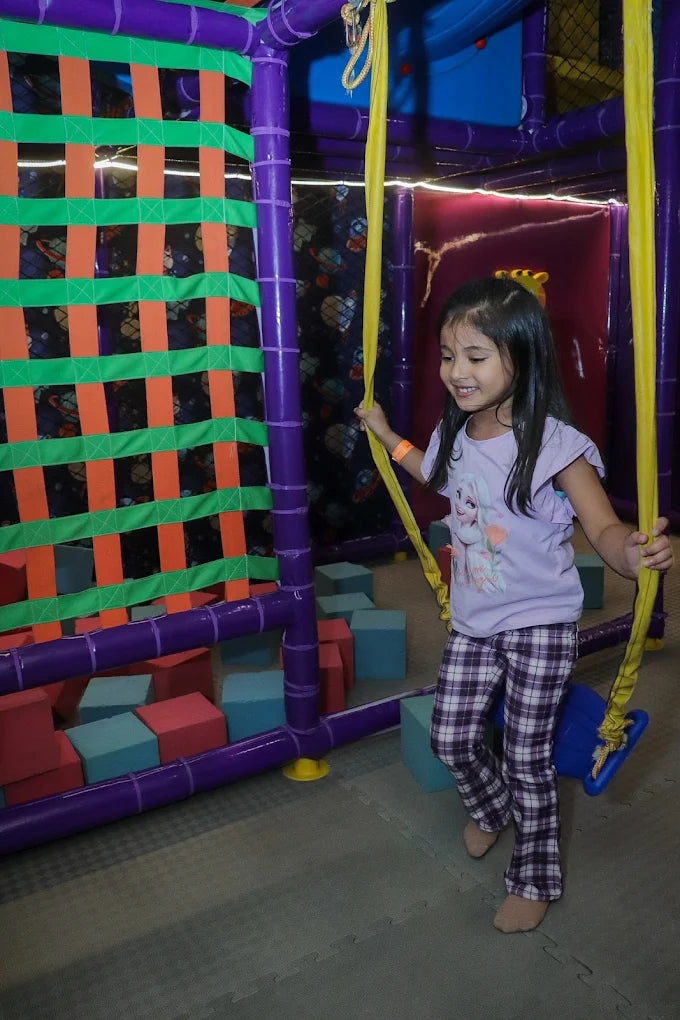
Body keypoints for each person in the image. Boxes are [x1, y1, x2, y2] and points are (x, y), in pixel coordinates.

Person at [355, 276, 674, 934]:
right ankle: (491, 802)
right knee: (450, 738)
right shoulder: (458, 434)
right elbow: (429, 470)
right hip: (474, 625)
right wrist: (388, 436)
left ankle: (535, 874)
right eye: (448, 355)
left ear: (520, 359)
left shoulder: (554, 445)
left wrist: (630, 553)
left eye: (476, 357)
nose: (456, 372)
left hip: (538, 628)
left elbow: (603, 529)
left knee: (530, 757)